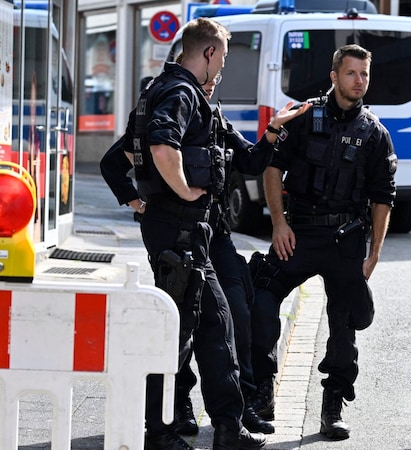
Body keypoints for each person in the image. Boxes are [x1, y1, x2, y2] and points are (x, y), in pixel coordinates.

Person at [100, 72, 308, 438]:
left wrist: (274, 129)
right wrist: (139, 202)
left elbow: (253, 160)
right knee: (185, 323)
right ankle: (178, 406)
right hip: (182, 233)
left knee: (237, 313)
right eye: (211, 76)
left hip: (218, 234)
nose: (213, 83)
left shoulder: (214, 120)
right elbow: (112, 164)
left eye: (218, 80)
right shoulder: (171, 115)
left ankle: (239, 412)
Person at [127, 17, 266, 450]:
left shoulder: (168, 89)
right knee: (178, 334)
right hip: (179, 233)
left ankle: (227, 427)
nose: (221, 66)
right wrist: (186, 190)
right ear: (207, 53)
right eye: (222, 56)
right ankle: (159, 431)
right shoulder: (181, 91)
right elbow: (160, 144)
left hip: (188, 233)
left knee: (214, 326)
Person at [247, 44, 396, 441]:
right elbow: (272, 170)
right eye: (351, 73)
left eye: (364, 74)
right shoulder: (303, 117)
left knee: (345, 323)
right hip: (299, 232)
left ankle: (333, 403)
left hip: (345, 239)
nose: (359, 81)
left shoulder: (375, 133)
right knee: (260, 296)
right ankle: (263, 389)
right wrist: (278, 224)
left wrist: (375, 252)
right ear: (334, 76)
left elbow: (384, 196)